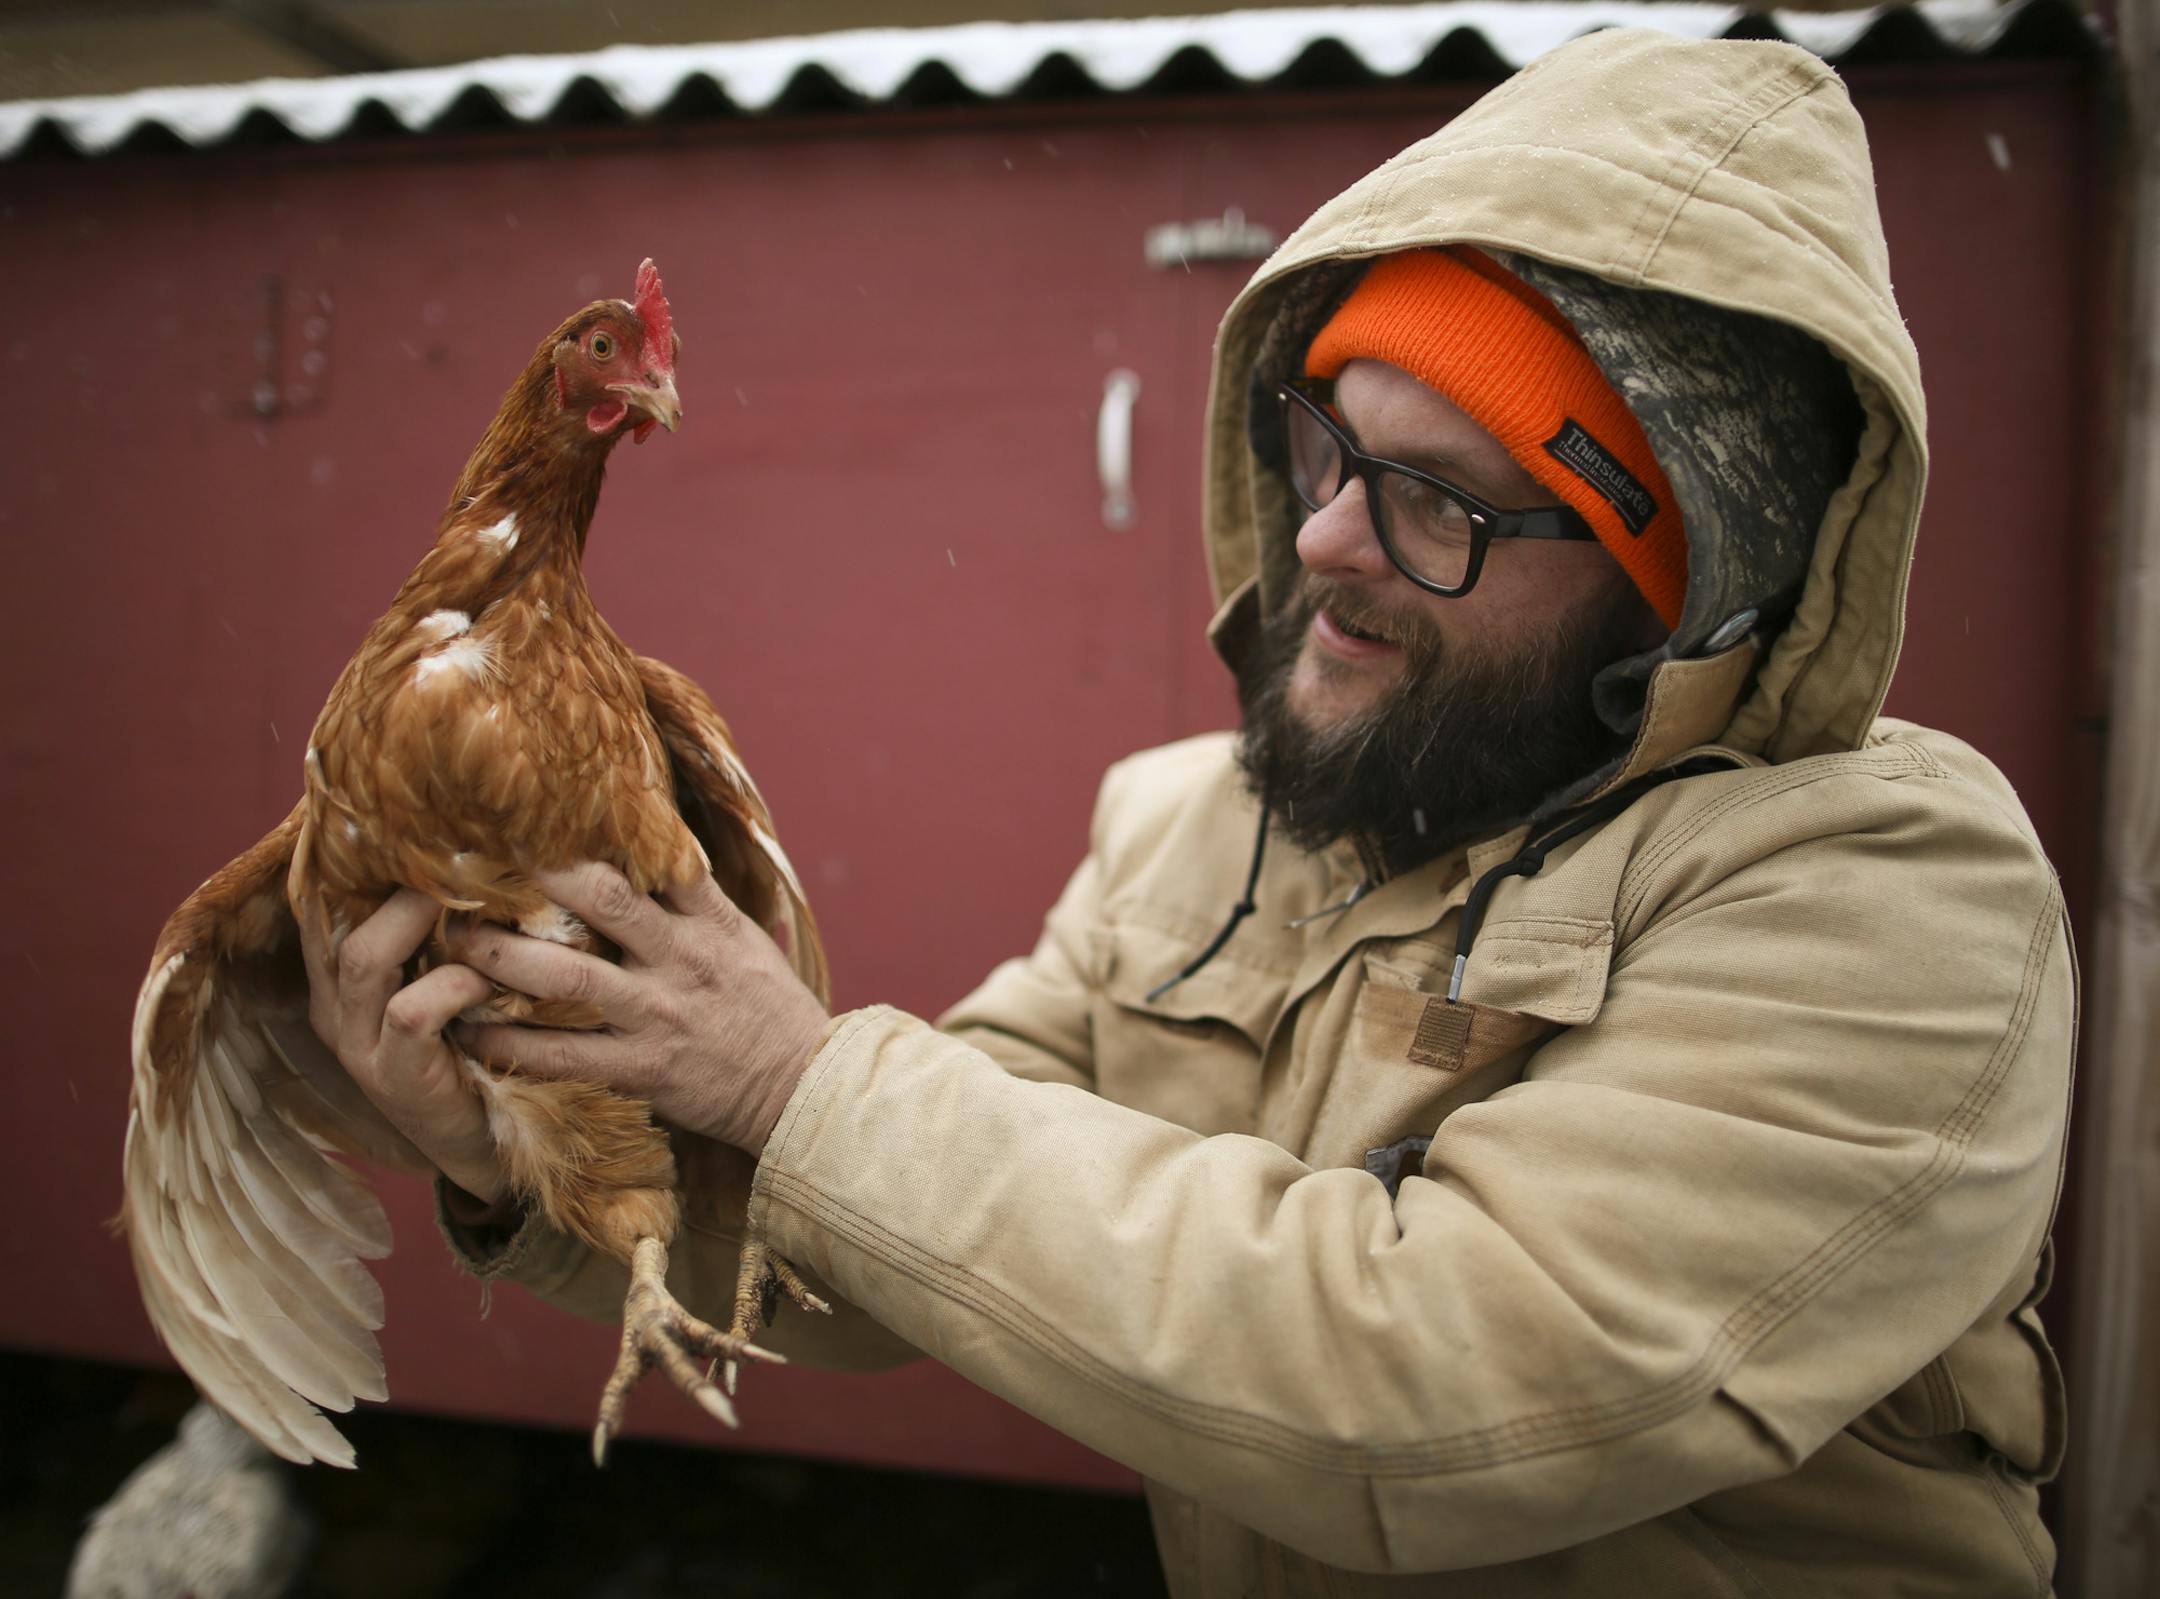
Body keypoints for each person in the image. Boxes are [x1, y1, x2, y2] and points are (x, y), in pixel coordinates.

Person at [302, 27, 2075, 1597]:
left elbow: (1439, 1391)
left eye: (1438, 505)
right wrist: (518, 1159)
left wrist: (795, 1077)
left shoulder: (1890, 904)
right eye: (1328, 451)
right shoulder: (1198, 828)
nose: (1322, 540)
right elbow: (883, 1239)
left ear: (1671, 596)